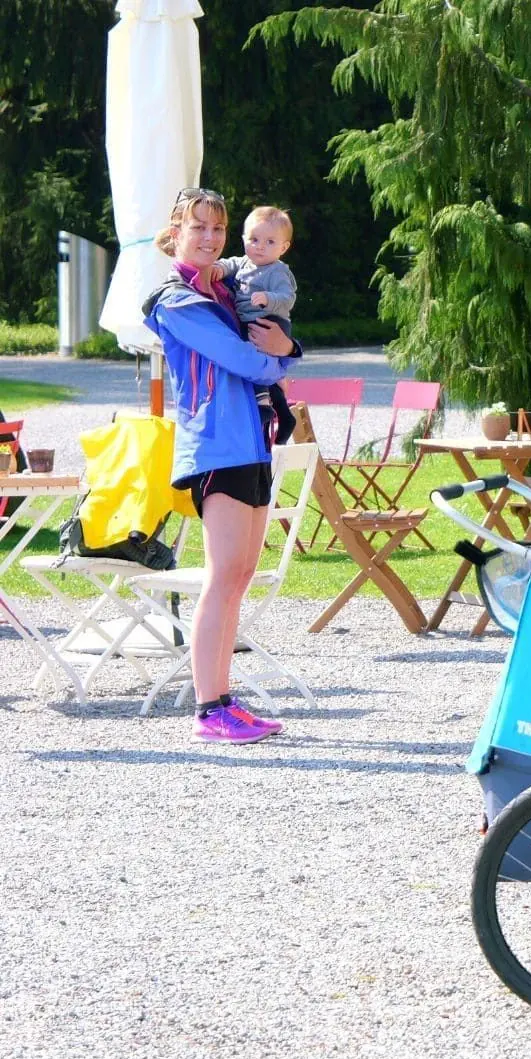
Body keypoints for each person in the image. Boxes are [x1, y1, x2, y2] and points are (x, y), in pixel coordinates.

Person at [141, 187, 302, 744]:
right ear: (176, 233)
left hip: (252, 444)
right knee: (222, 575)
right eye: (198, 227)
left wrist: (284, 347)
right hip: (216, 446)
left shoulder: (229, 288)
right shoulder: (176, 299)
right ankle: (209, 710)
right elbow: (241, 359)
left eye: (217, 228)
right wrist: (284, 357)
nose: (210, 237)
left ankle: (225, 700)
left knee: (239, 576)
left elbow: (269, 343)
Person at [211, 205, 299, 444]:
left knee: (252, 359)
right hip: (251, 321)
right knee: (255, 362)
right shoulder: (244, 263)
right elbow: (229, 263)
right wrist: (218, 268)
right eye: (254, 239)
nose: (260, 246)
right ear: (243, 239)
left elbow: (288, 298)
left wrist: (268, 298)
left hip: (271, 321)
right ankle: (282, 412)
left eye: (270, 242)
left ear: (284, 247)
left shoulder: (277, 271)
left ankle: (262, 405)